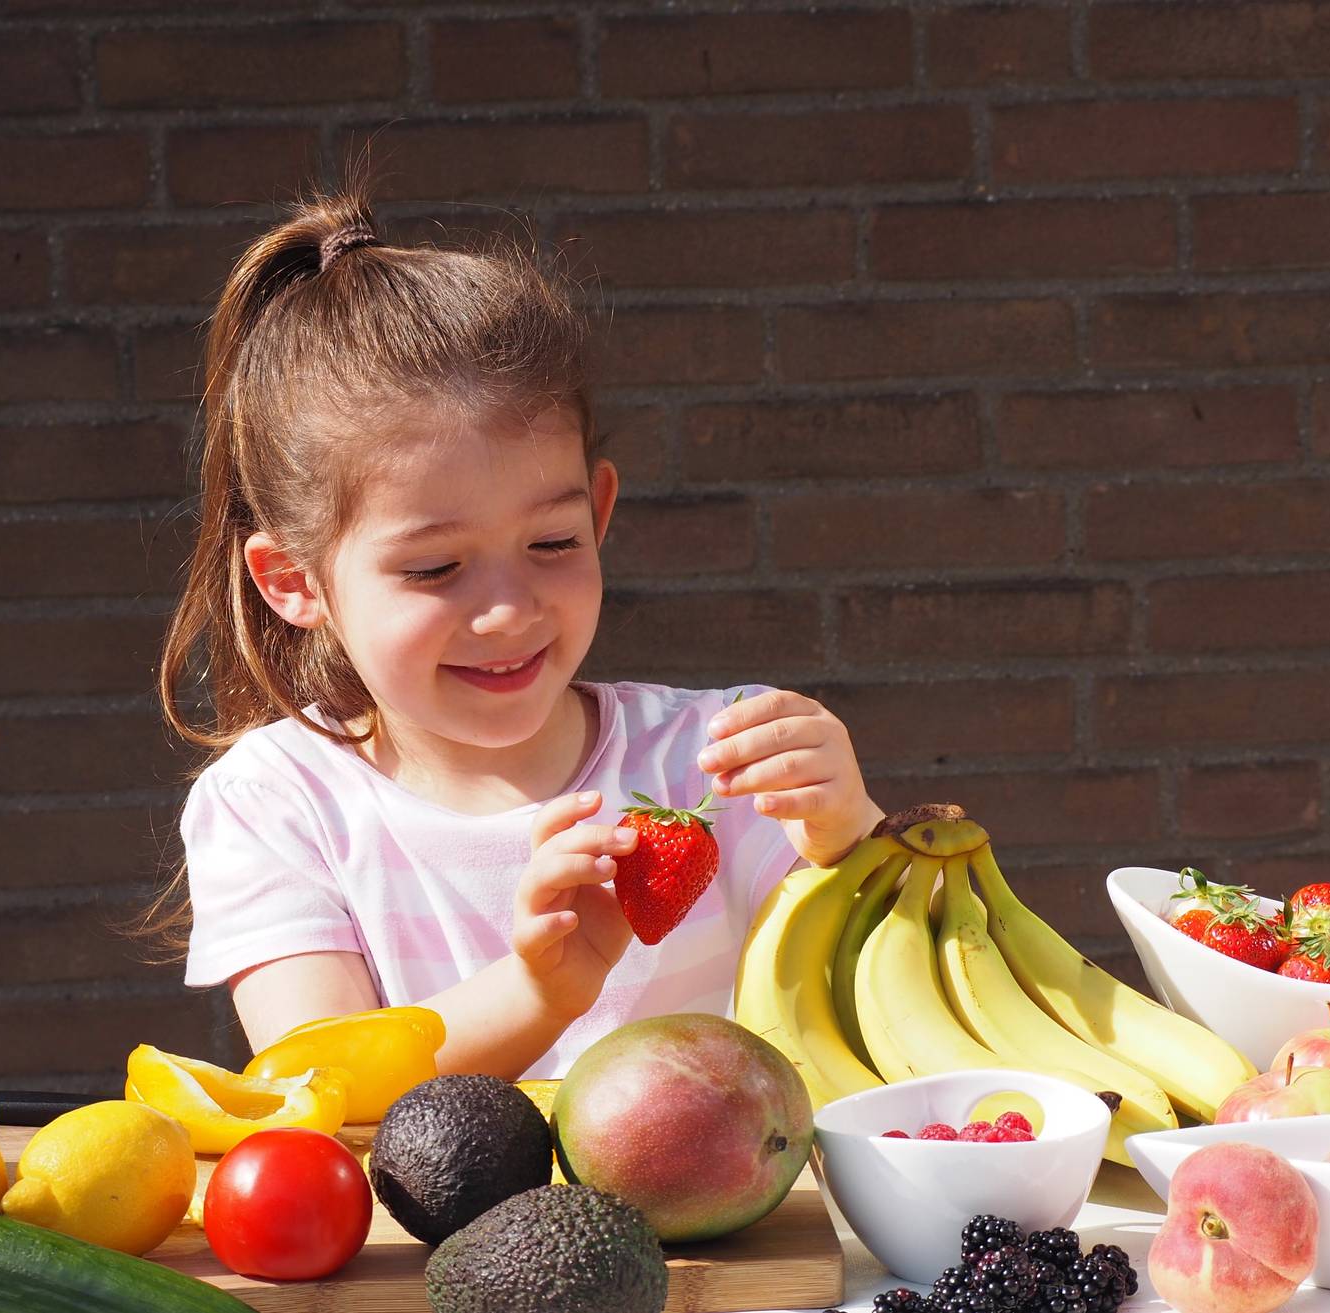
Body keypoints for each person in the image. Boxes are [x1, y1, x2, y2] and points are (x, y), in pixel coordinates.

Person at [155, 188, 886, 1080]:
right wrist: (539, 992)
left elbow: (884, 1010)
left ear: (600, 512)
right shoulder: (275, 802)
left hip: (723, 1219)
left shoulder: (719, 761)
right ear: (294, 581)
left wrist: (855, 837)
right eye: (434, 569)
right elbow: (317, 1081)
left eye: (552, 543)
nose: (508, 611)